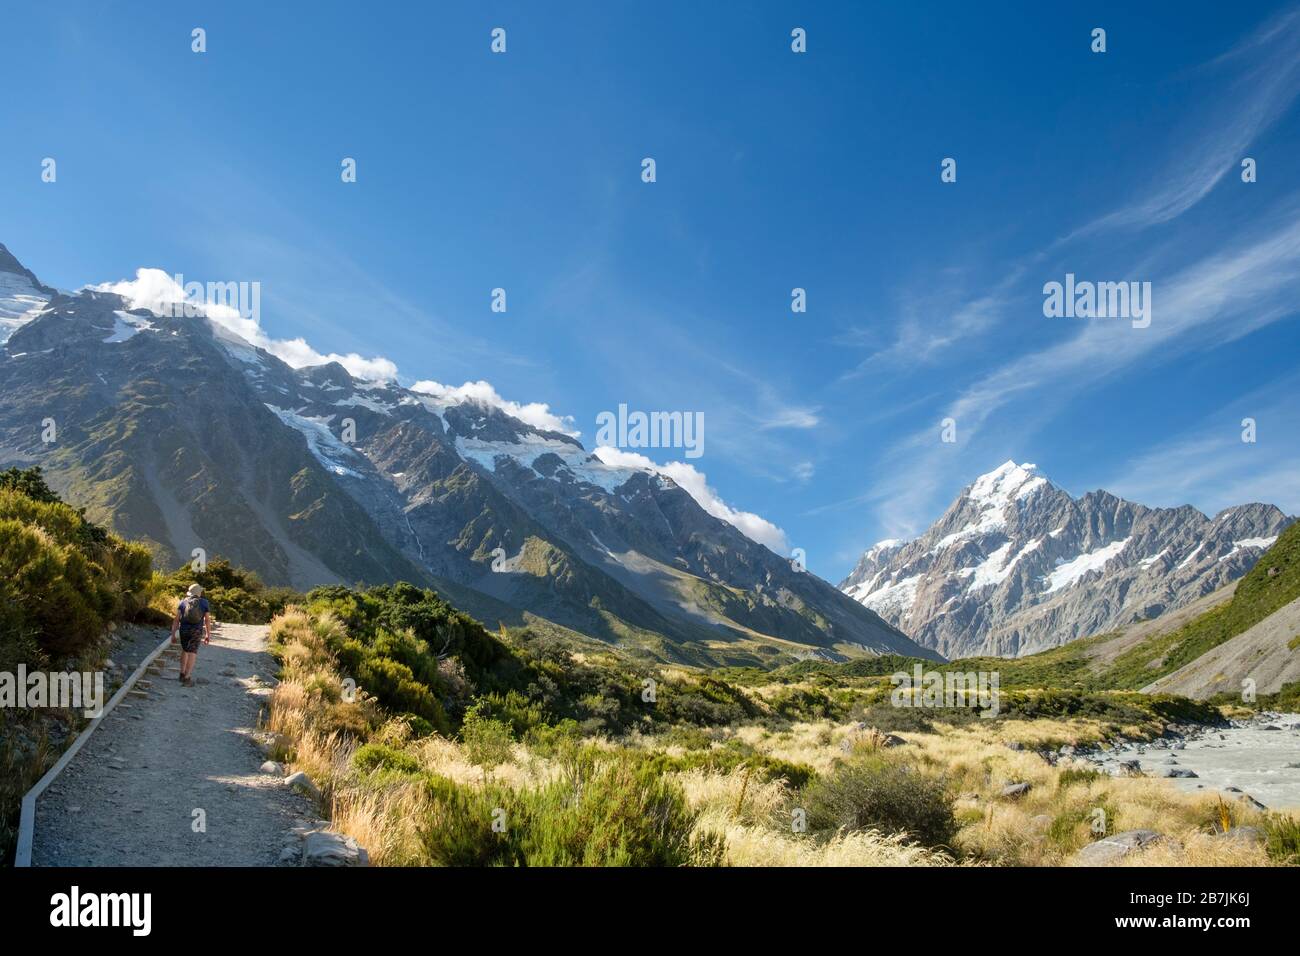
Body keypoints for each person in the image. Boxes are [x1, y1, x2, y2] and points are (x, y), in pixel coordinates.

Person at [171, 583, 213, 686]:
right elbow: (207, 620)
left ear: (189, 593)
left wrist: (173, 634)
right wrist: (208, 634)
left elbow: (176, 620)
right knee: (192, 652)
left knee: (185, 650)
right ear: (199, 593)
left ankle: (181, 673)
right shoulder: (204, 603)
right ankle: (187, 677)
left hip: (183, 630)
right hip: (196, 631)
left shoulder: (183, 602)